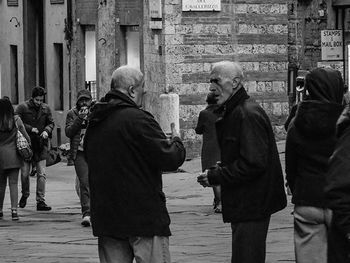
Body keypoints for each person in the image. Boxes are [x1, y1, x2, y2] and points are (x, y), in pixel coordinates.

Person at [84, 65, 186, 263]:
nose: (144, 92)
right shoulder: (138, 119)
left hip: (108, 218)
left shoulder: (96, 120)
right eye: (142, 88)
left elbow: (89, 156)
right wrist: (176, 141)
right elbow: (170, 158)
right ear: (132, 90)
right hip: (143, 217)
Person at [197, 61, 287, 263]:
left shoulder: (246, 114)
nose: (211, 87)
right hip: (247, 203)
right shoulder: (238, 111)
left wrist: (216, 176)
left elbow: (253, 164)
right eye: (210, 81)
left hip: (252, 204)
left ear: (235, 82)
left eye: (217, 81)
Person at [285, 68, 344, 263]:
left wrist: (296, 189)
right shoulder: (345, 121)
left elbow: (291, 164)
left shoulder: (297, 121)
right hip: (341, 202)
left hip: (308, 199)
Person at [15, 86, 54, 211]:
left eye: (41, 100)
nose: (39, 102)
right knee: (25, 174)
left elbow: (51, 123)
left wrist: (47, 131)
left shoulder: (46, 108)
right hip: (26, 145)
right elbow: (15, 120)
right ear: (32, 98)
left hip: (41, 144)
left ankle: (40, 201)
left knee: (41, 174)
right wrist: (30, 128)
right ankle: (25, 194)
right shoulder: (22, 107)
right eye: (37, 100)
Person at [65, 89, 92, 227]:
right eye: (81, 100)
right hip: (79, 153)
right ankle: (87, 213)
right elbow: (69, 132)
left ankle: (96, 211)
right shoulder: (72, 114)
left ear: (90, 100)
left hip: (94, 151)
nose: (83, 103)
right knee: (84, 182)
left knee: (96, 182)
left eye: (86, 100)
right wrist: (79, 119)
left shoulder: (95, 112)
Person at [195, 92, 222, 213]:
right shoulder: (223, 111)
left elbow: (199, 130)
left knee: (212, 172)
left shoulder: (204, 114)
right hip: (223, 145)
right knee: (221, 171)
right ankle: (220, 200)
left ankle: (219, 201)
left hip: (210, 146)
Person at [0, 98, 24, 220]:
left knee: (1, 185)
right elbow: (25, 136)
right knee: (13, 184)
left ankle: (0, 210)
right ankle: (14, 211)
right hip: (14, 156)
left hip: (0, 158)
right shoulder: (16, 120)